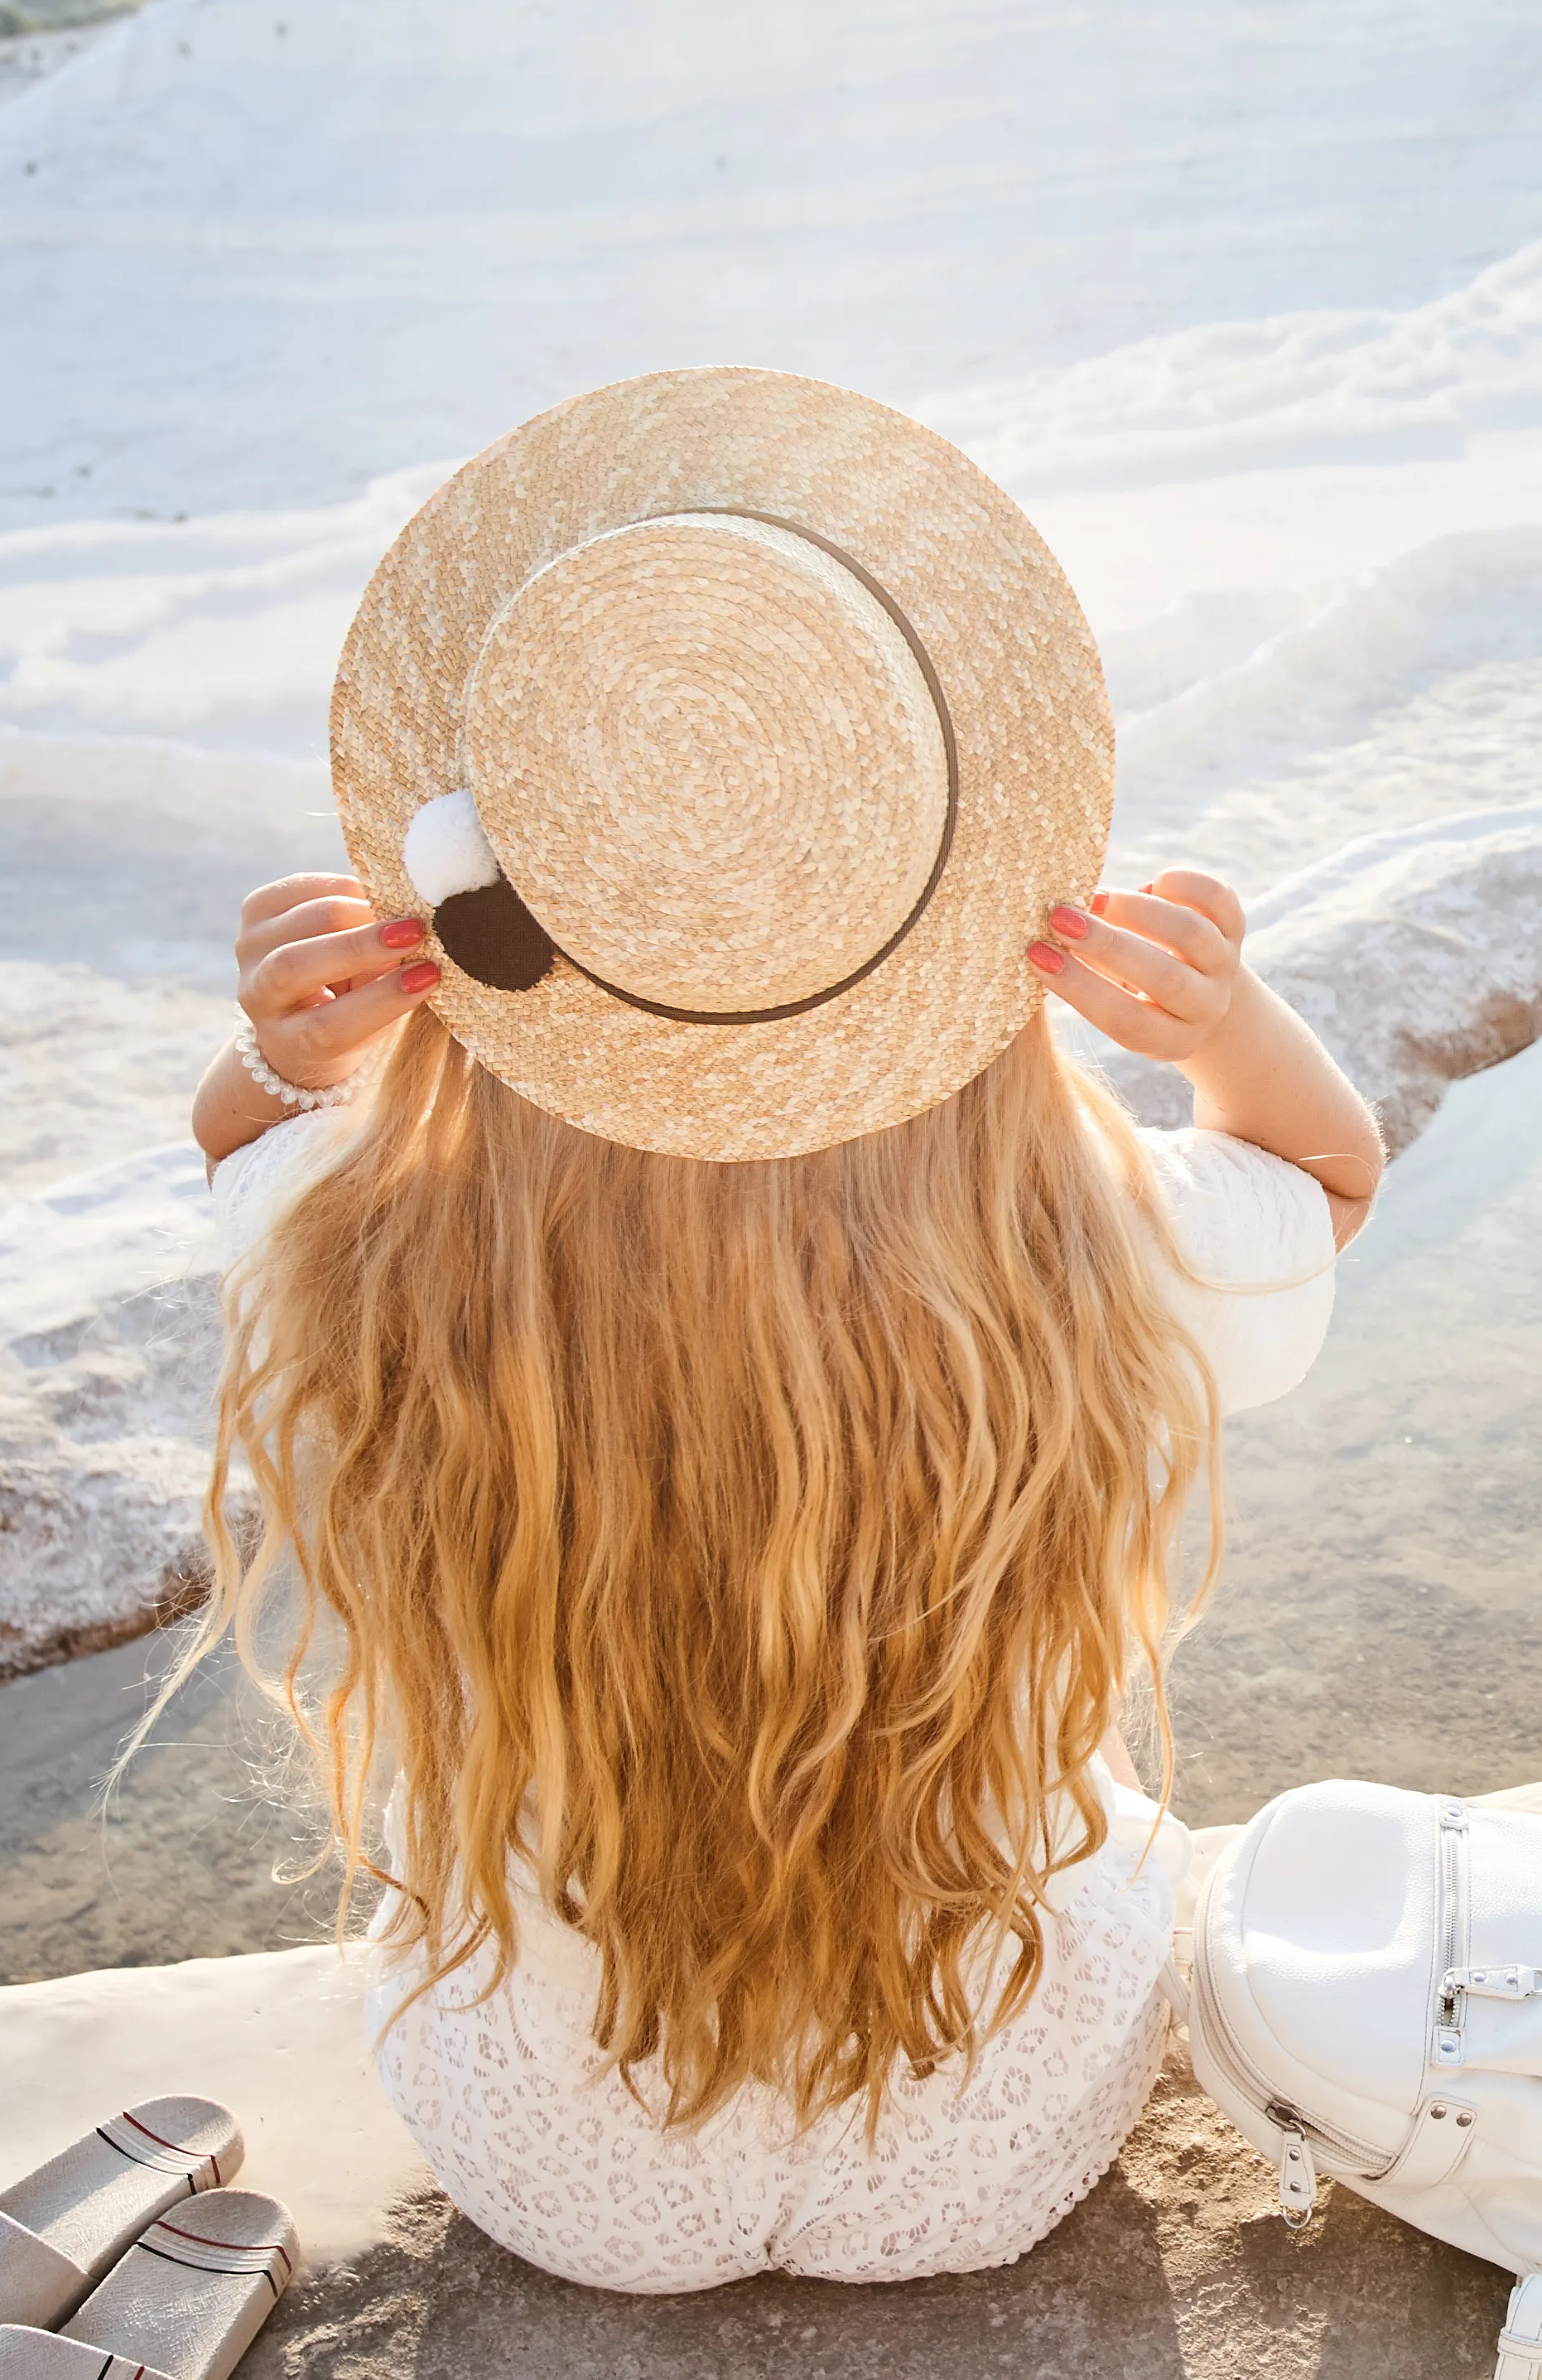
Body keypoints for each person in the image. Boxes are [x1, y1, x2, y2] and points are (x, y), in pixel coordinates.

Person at [181, 369, 1382, 2292]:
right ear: (945, 894)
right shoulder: (1083, 1243)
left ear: (500, 915)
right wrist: (1216, 1025)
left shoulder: (374, 1246)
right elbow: (1325, 1179)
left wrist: (281, 1056)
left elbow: (240, 1165)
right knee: (1109, 1824)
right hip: (982, 2127)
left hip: (565, 2172)